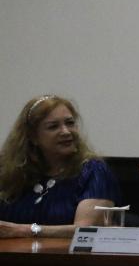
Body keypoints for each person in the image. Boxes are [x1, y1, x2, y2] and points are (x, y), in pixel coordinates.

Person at [0, 95, 120, 238]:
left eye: (70, 123)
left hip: (69, 259)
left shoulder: (93, 171)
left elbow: (87, 231)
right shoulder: (13, 172)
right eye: (53, 126)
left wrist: (26, 231)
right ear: (33, 137)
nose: (66, 132)